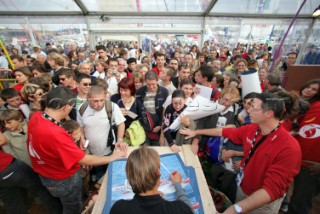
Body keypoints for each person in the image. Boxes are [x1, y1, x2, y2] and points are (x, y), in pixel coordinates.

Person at [180, 92, 301, 214]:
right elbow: (224, 132)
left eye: (253, 107)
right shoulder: (252, 128)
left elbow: (271, 190)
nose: (248, 111)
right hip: (242, 189)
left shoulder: (289, 148)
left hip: (263, 204)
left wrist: (235, 209)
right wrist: (197, 132)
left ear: (268, 113)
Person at [27, 87, 126, 213]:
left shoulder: (36, 117)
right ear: (66, 107)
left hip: (47, 174)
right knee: (73, 208)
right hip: (63, 179)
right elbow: (83, 159)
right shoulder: (55, 134)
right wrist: (113, 157)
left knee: (62, 203)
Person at [110, 146, 193, 214]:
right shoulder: (179, 209)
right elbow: (188, 209)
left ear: (129, 177)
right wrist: (178, 185)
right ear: (158, 172)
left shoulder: (118, 209)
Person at [77, 85, 127, 180]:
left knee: (112, 177)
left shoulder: (111, 106)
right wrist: (82, 138)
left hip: (109, 151)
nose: (99, 104)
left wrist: (120, 139)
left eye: (101, 100)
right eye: (95, 101)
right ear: (88, 98)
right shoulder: (81, 109)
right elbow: (81, 126)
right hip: (92, 153)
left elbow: (121, 124)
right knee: (99, 177)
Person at [288, 79, 320, 214]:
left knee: (299, 205)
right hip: (297, 160)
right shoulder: (310, 106)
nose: (309, 90)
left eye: (314, 89)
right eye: (308, 87)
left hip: (311, 167)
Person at [136, 71, 169, 146]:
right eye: (148, 84)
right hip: (144, 126)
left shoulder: (164, 92)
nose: (151, 87)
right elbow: (138, 110)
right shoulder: (139, 92)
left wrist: (160, 126)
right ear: (145, 82)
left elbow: (165, 112)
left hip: (159, 126)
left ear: (157, 81)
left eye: (153, 84)